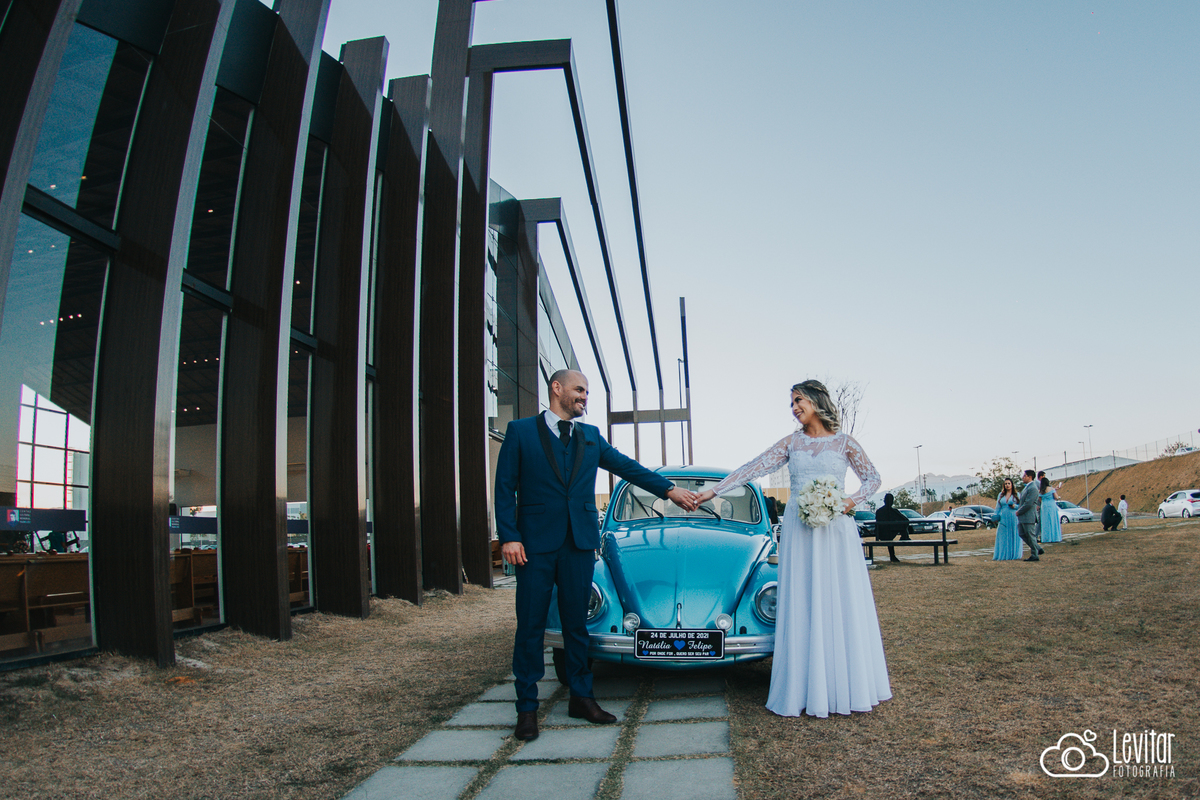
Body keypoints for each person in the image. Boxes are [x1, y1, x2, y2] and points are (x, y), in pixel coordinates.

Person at [494, 369, 699, 742]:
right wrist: (509, 536)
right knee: (530, 627)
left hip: (579, 544)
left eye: (586, 392)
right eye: (579, 390)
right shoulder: (521, 432)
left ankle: (581, 698)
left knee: (577, 625)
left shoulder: (590, 436)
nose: (584, 397)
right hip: (535, 545)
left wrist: (669, 491)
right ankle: (527, 708)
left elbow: (626, 467)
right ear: (556, 389)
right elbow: (504, 487)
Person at [692, 380, 890, 718]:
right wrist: (714, 492)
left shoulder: (845, 443)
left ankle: (843, 681)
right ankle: (802, 684)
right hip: (800, 530)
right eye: (792, 403)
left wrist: (846, 502)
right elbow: (753, 468)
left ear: (816, 401)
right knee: (802, 597)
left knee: (836, 597)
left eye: (799, 401)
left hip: (835, 531)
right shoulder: (791, 443)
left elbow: (873, 478)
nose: (794, 408)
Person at [873, 493, 912, 563]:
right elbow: (905, 520)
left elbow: (905, 520)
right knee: (897, 527)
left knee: (899, 525)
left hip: (884, 533)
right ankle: (904, 536)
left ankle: (893, 555)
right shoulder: (886, 511)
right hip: (883, 533)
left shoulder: (882, 511)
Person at [1015, 470, 1045, 561]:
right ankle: (1037, 548)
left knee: (1030, 535)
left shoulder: (1033, 488)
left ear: (1030, 477)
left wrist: (1019, 511)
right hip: (1023, 517)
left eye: (1025, 476)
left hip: (1028, 516)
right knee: (1022, 533)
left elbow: (1029, 503)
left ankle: (1034, 555)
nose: (1023, 477)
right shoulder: (1027, 488)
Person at [992, 479, 1021, 560]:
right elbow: (998, 507)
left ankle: (1014, 554)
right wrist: (995, 516)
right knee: (1002, 534)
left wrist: (1014, 506)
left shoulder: (1017, 495)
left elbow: (1021, 506)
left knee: (1013, 533)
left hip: (1013, 516)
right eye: (1005, 484)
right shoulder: (1001, 495)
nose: (1007, 485)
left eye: (1009, 483)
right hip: (1003, 517)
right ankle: (1003, 553)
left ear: (1012, 485)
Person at [1039, 477, 1062, 544]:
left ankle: (1046, 537)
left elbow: (1039, 499)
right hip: (1051, 505)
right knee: (1053, 520)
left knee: (1045, 522)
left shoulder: (1041, 490)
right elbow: (1056, 497)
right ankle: (1055, 537)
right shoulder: (1051, 488)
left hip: (1044, 506)